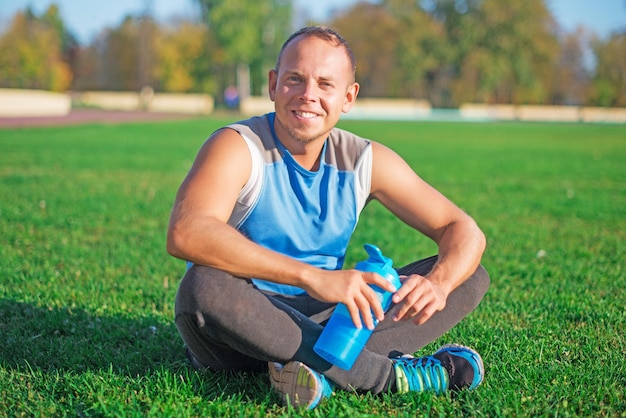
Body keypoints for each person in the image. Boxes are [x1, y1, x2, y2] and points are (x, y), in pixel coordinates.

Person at [167, 25, 490, 410]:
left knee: (467, 275)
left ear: (348, 97)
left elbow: (462, 229)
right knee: (202, 285)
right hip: (243, 321)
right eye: (294, 80)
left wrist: (439, 283)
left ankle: (309, 369)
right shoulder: (238, 146)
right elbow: (187, 232)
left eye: (325, 84)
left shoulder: (365, 160)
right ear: (273, 85)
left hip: (327, 321)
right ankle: (385, 376)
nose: (308, 95)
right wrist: (314, 277)